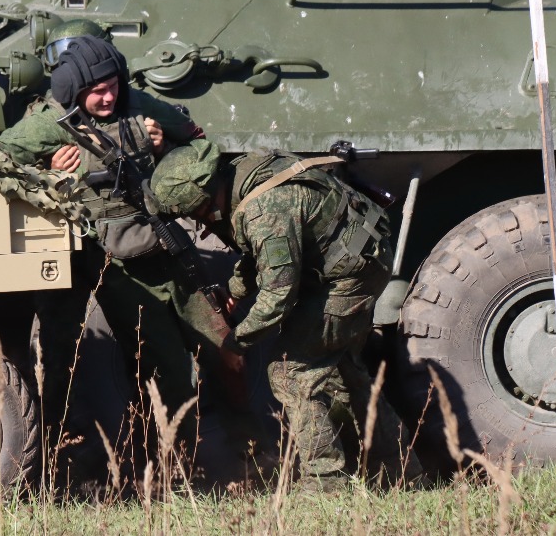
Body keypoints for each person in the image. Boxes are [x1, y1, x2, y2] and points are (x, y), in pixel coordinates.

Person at [0, 35, 247, 480]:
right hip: (86, 253)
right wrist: (45, 172)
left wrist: (163, 149)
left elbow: (197, 143)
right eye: (97, 91)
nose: (108, 97)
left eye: (112, 86)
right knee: (66, 358)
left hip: (151, 244)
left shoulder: (138, 105)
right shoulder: (51, 123)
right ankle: (60, 460)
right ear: (74, 91)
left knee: (199, 352)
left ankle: (221, 456)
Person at [149, 139, 425, 489]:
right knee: (344, 371)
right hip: (351, 261)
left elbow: (277, 296)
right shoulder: (241, 176)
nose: (199, 222)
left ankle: (325, 481)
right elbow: (260, 253)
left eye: (194, 214)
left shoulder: (264, 210)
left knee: (289, 372)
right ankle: (401, 470)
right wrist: (235, 291)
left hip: (350, 276)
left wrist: (234, 344)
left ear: (202, 202)